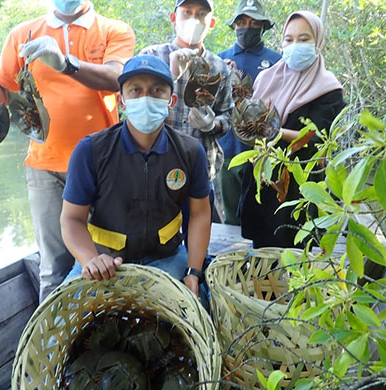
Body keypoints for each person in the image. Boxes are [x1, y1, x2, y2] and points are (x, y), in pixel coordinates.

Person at [0, 0, 135, 302]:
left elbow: (117, 78)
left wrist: (65, 63)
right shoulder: (23, 33)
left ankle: (108, 331)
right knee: (53, 267)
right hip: (45, 167)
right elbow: (0, 96)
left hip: (105, 164)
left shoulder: (114, 30)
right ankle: (50, 344)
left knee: (107, 261)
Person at [60, 55, 211, 298]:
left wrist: (194, 272)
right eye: (136, 90)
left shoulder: (190, 151)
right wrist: (91, 259)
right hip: (105, 263)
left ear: (171, 100)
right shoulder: (91, 151)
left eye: (157, 90)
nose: (145, 98)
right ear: (122, 100)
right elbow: (71, 220)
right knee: (60, 329)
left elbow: (200, 214)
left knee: (196, 312)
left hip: (167, 259)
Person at [240, 10, 345, 248]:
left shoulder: (329, 90)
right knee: (262, 254)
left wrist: (273, 132)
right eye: (289, 39)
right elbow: (248, 120)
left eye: (304, 39)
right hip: (263, 179)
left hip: (301, 184)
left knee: (297, 252)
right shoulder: (265, 78)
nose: (295, 45)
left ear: (317, 42)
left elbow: (318, 138)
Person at [139, 0, 233, 243]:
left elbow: (228, 115)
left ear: (210, 23)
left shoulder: (219, 67)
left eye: (201, 14)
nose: (194, 19)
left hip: (201, 169)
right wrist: (170, 75)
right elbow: (136, 109)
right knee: (155, 240)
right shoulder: (151, 56)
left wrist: (213, 124)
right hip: (154, 168)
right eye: (187, 12)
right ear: (174, 17)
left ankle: (196, 275)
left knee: (199, 238)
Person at [216, 0, 281, 225]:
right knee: (231, 217)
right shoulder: (219, 59)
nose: (247, 27)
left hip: (263, 152)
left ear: (263, 27)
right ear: (234, 26)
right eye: (242, 22)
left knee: (264, 215)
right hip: (226, 150)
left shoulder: (277, 61)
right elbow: (208, 104)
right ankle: (231, 259)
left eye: (254, 23)